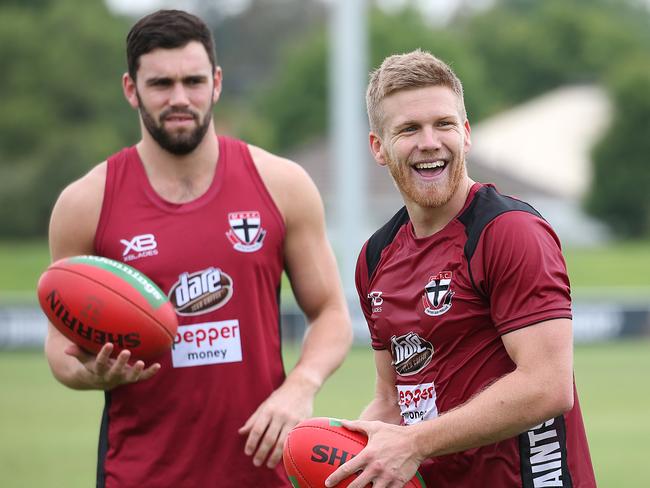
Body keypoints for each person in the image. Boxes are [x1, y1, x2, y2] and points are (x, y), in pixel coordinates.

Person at [44, 9, 352, 488]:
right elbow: (61, 351)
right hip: (139, 473)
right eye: (161, 84)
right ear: (131, 89)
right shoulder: (85, 204)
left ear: (217, 82)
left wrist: (300, 388)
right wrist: (91, 373)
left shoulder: (281, 184)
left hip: (259, 474)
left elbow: (331, 314)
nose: (180, 98)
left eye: (193, 80)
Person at [325, 50, 596, 488]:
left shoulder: (509, 232)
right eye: (409, 129)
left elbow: (548, 386)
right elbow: (392, 401)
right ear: (378, 147)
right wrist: (345, 455)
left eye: (443, 124)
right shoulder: (375, 256)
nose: (429, 141)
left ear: (466, 134)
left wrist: (414, 443)